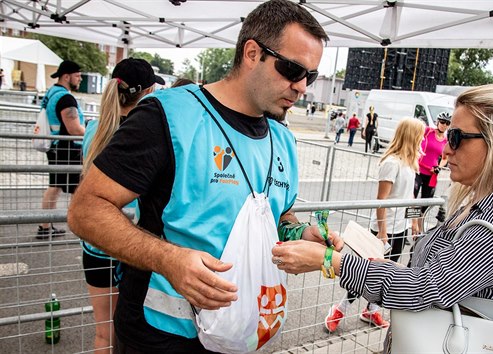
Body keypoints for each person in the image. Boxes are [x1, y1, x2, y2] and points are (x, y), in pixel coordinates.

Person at [68, 1, 341, 352]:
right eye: (292, 69)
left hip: (242, 333)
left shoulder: (283, 139)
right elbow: (86, 210)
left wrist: (302, 233)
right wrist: (168, 259)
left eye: (311, 76)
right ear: (252, 52)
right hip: (160, 335)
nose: (302, 87)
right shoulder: (167, 116)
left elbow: (280, 217)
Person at [272, 84, 493, 350]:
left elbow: (424, 288)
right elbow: (436, 278)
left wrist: (329, 261)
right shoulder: (483, 202)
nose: (445, 149)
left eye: (456, 137)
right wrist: (364, 262)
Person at [81, 58, 163, 354]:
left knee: (104, 333)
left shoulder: (93, 128)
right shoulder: (140, 134)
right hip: (128, 244)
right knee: (125, 332)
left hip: (93, 245)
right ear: (149, 91)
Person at [323, 118, 424, 333]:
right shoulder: (391, 163)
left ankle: (372, 309)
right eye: (420, 135)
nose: (422, 140)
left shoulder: (411, 163)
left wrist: (414, 221)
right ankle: (340, 308)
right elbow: (382, 200)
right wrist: (382, 231)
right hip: (383, 230)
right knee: (366, 273)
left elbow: (411, 196)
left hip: (400, 228)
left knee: (388, 273)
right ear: (410, 135)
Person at [37, 60, 84, 239]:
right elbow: (74, 129)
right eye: (77, 75)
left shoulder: (52, 93)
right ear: (67, 76)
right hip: (67, 148)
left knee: (55, 186)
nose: (80, 79)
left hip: (56, 146)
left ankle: (45, 226)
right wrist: (92, 134)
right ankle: (79, 227)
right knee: (78, 189)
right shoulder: (65, 98)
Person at [414, 111, 451, 233]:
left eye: (447, 123)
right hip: (418, 170)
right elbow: (416, 141)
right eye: (442, 122)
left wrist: (438, 167)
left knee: (425, 204)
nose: (444, 125)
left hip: (431, 174)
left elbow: (445, 158)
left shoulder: (446, 141)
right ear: (437, 122)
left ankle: (419, 230)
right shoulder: (428, 131)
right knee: (412, 199)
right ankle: (411, 226)